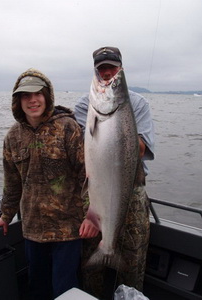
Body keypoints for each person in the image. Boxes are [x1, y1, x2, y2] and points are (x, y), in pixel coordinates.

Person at [0, 68, 96, 300]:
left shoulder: (68, 127)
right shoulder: (12, 137)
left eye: (38, 94)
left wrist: (91, 215)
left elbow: (86, 176)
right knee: (36, 286)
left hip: (68, 229)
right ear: (17, 101)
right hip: (32, 229)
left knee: (65, 288)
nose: (32, 100)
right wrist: (6, 214)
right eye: (26, 96)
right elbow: (12, 182)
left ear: (47, 96)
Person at [74, 47, 155, 299]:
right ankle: (93, 291)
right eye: (102, 69)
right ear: (95, 72)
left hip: (130, 185)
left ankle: (131, 294)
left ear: (121, 69)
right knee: (90, 249)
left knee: (133, 253)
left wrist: (122, 126)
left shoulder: (139, 104)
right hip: (96, 185)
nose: (107, 74)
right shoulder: (82, 107)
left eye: (112, 68)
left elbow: (142, 148)